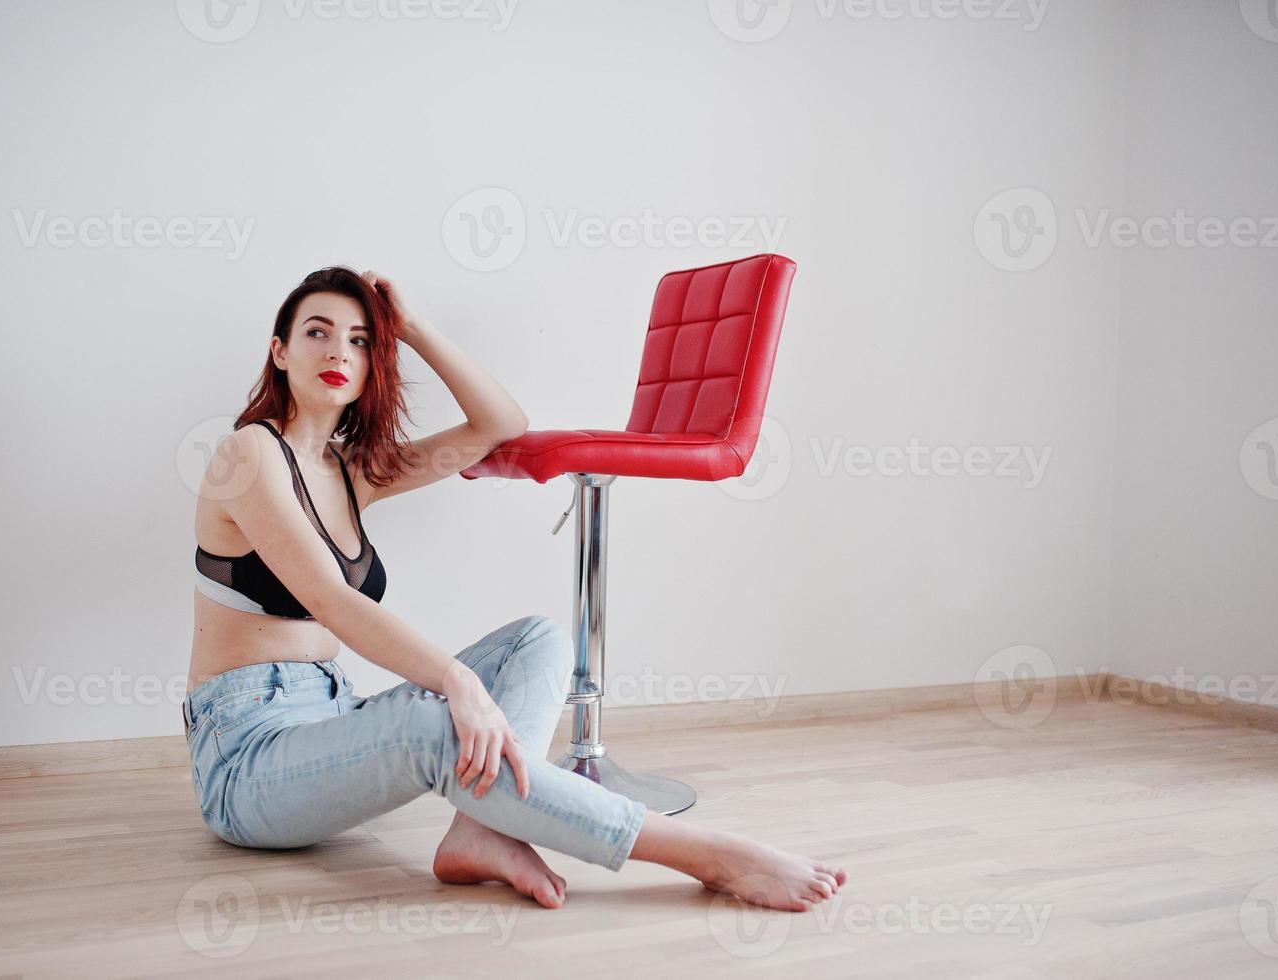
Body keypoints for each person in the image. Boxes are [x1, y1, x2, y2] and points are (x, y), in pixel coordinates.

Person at [185, 265, 847, 911]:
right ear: (279, 351)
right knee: (431, 726)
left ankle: (482, 829)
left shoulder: (353, 472)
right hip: (247, 757)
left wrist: (413, 327)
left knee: (537, 640)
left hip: (333, 715)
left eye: (360, 340)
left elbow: (499, 423)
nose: (339, 351)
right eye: (317, 332)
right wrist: (458, 681)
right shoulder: (247, 453)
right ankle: (707, 854)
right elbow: (333, 600)